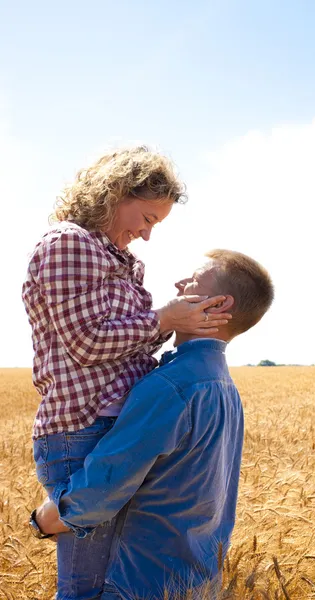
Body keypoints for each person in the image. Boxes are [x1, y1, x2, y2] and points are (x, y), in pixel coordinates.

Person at [22, 147, 232, 600]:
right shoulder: (69, 244)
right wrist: (165, 320)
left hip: (114, 432)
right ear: (116, 193)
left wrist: (178, 326)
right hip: (81, 432)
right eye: (149, 218)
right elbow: (85, 342)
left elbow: (129, 342)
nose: (147, 234)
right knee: (87, 587)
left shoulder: (123, 262)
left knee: (114, 581)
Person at [34, 249, 274, 600]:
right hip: (196, 580)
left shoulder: (171, 386)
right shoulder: (223, 386)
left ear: (219, 306)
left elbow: (100, 490)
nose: (178, 284)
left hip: (138, 583)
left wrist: (43, 520)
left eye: (193, 281)